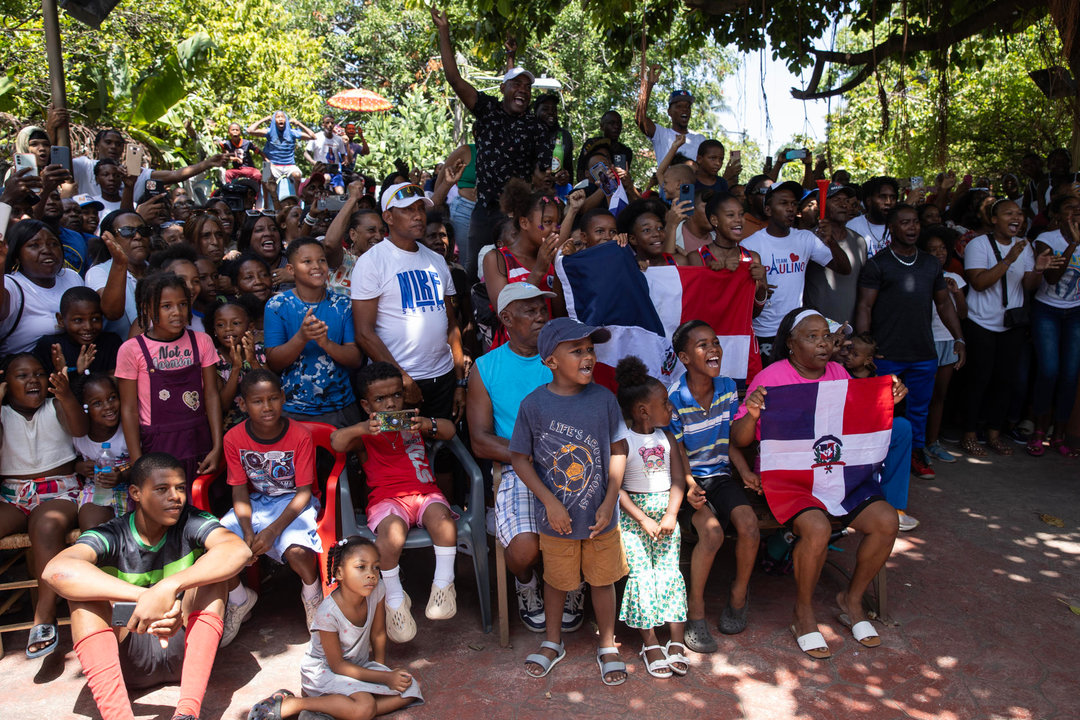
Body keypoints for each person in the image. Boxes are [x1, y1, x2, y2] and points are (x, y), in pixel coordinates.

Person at [730, 309, 906, 658]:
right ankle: (803, 612)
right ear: (791, 345)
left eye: (826, 335)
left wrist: (889, 397)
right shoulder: (772, 377)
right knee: (817, 528)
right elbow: (739, 439)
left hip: (838, 475)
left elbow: (858, 418)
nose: (823, 342)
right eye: (812, 337)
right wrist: (751, 413)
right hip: (791, 480)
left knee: (887, 521)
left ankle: (851, 600)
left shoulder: (839, 372)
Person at [42, 452, 251, 720]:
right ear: (136, 493)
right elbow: (56, 571)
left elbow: (238, 551)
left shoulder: (192, 521)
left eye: (180, 488)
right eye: (162, 489)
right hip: (128, 652)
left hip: (184, 647)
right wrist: (147, 597)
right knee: (83, 601)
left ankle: (187, 712)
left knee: (214, 579)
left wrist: (169, 587)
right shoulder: (112, 533)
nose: (175, 497)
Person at [509, 317, 630, 685]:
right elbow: (519, 458)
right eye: (576, 350)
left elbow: (619, 450)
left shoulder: (604, 399)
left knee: (603, 580)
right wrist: (549, 501)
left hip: (600, 517)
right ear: (551, 361)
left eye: (590, 349)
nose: (588, 357)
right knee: (557, 581)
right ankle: (552, 641)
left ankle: (607, 645)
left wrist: (610, 501)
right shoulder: (534, 405)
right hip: (558, 518)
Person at [468, 283, 587, 633]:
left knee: (585, 531)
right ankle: (526, 584)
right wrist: (530, 455)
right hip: (517, 469)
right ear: (506, 318)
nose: (540, 317)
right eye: (530, 311)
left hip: (571, 465)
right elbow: (480, 441)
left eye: (542, 310)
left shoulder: (566, 358)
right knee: (523, 550)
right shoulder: (486, 367)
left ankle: (572, 582)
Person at [330, 362, 461, 643]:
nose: (390, 404)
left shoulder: (415, 421)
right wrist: (362, 428)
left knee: (444, 521)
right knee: (391, 536)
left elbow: (450, 431)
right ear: (366, 405)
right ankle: (394, 599)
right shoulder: (366, 432)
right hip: (387, 500)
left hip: (425, 494)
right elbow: (336, 442)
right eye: (380, 399)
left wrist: (429, 424)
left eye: (396, 396)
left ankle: (443, 585)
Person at [432, 7, 554, 281]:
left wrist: (545, 179)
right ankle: (478, 322)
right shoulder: (487, 110)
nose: (523, 89)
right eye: (517, 85)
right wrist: (443, 31)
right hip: (484, 211)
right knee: (476, 272)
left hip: (515, 215)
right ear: (503, 90)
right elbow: (454, 78)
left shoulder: (536, 127)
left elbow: (541, 172)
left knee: (513, 273)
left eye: (528, 87)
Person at [247, 536, 422, 720]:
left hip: (358, 666)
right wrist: (384, 679)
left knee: (410, 688)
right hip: (324, 671)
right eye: (361, 567)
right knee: (365, 706)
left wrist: (382, 672)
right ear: (339, 573)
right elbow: (337, 665)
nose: (371, 574)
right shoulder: (328, 612)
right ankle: (295, 704)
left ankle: (331, 708)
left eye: (375, 567)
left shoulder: (377, 590)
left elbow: (378, 634)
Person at [665, 320, 758, 652]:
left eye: (716, 342)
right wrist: (689, 483)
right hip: (688, 479)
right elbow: (676, 449)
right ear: (685, 357)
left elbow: (729, 438)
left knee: (749, 525)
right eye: (702, 344)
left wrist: (744, 469)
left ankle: (738, 594)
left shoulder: (728, 388)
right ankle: (696, 610)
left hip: (719, 475)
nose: (713, 348)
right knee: (713, 533)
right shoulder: (674, 397)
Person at [855, 204, 967, 481]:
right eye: (904, 223)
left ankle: (917, 454)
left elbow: (943, 303)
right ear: (892, 228)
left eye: (915, 222)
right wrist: (865, 348)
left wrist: (959, 337)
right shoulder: (878, 264)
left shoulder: (930, 263)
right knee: (879, 409)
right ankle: (874, 461)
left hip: (922, 352)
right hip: (886, 353)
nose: (912, 227)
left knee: (919, 408)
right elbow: (865, 307)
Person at [218, 371, 322, 646]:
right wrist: (246, 530)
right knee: (216, 546)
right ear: (243, 404)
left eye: (273, 398)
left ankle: (313, 596)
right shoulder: (234, 438)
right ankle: (240, 599)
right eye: (257, 401)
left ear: (283, 398)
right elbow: (239, 489)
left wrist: (273, 531)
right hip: (257, 503)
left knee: (297, 551)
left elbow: (303, 492)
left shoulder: (299, 435)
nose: (267, 407)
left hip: (295, 504)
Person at [351, 182, 466, 420]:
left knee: (443, 447)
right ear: (388, 217)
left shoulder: (436, 260)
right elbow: (364, 333)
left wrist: (459, 382)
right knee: (403, 452)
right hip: (396, 386)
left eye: (420, 209)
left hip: (443, 377)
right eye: (407, 210)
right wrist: (402, 378)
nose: (417, 216)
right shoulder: (371, 262)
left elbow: (451, 324)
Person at [0, 354, 88, 658]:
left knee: (46, 525)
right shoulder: (3, 413)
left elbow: (79, 429)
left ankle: (44, 616)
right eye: (21, 376)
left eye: (38, 373)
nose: (32, 380)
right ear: (6, 383)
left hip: (58, 490)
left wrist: (64, 394)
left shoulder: (55, 406)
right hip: (12, 494)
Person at [960, 199, 1060, 456]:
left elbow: (1028, 286)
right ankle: (969, 434)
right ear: (994, 219)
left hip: (1011, 324)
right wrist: (1008, 260)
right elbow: (979, 283)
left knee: (1006, 381)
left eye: (1019, 213)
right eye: (1009, 213)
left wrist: (1037, 270)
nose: (1016, 217)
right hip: (980, 322)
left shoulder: (1023, 246)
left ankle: (994, 433)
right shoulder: (978, 244)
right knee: (978, 380)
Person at [613, 355, 689, 680]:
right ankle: (650, 642)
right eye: (665, 403)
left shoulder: (667, 438)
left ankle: (677, 640)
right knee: (642, 576)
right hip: (634, 521)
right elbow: (616, 489)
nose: (670, 409)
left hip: (667, 519)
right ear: (644, 410)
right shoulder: (623, 442)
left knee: (669, 573)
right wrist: (642, 519)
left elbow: (678, 480)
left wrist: (672, 513)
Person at [116, 273, 223, 482]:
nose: (177, 312)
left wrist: (217, 446)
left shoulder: (202, 341)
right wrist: (138, 461)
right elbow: (129, 409)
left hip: (199, 440)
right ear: (147, 309)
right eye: (166, 306)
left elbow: (211, 395)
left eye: (183, 304)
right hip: (157, 444)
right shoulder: (131, 350)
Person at [741, 181, 851, 359]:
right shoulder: (750, 244)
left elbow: (844, 268)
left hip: (797, 328)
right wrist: (759, 290)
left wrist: (830, 240)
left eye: (793, 204)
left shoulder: (805, 238)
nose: (791, 208)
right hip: (764, 331)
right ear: (768, 210)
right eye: (783, 203)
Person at [264, 238, 362, 426]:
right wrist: (301, 338)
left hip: (341, 407)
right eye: (307, 261)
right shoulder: (277, 305)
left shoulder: (343, 304)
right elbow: (274, 362)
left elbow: (355, 358)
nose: (317, 266)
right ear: (291, 270)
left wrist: (326, 343)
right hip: (294, 409)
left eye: (322, 260)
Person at [1029, 194, 1080, 456]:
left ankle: (1059, 435)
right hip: (1047, 310)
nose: (1075, 213)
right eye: (1070, 209)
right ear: (1057, 214)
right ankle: (1039, 430)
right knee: (1049, 370)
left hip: (1076, 313)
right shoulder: (1046, 240)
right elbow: (1050, 277)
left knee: (1070, 375)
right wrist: (1072, 244)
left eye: (1079, 209)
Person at [483, 179, 563, 329]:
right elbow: (505, 312)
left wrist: (558, 268)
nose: (555, 229)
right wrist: (538, 270)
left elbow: (559, 314)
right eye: (547, 222)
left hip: (548, 346)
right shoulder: (496, 259)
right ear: (524, 223)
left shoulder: (551, 258)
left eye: (557, 223)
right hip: (515, 349)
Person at [0, 219, 87, 356]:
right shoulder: (10, 284)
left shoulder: (71, 277)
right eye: (34, 245)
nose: (47, 250)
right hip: (26, 373)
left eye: (53, 244)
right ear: (17, 256)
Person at [919, 225, 968, 464]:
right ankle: (917, 447)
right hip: (923, 342)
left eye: (943, 249)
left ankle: (933, 442)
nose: (939, 253)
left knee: (939, 395)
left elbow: (963, 314)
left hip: (947, 341)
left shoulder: (955, 277)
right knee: (919, 396)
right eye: (932, 249)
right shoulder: (919, 276)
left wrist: (956, 293)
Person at [72, 373, 131, 530]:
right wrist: (79, 467)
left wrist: (122, 473)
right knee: (94, 530)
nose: (108, 406)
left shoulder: (128, 429)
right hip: (95, 491)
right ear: (84, 408)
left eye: (112, 398)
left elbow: (142, 460)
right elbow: (72, 461)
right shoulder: (79, 436)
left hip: (130, 488)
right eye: (97, 403)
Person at [804, 184, 866, 325]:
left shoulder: (858, 241)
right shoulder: (808, 239)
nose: (844, 205)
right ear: (821, 206)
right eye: (836, 200)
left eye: (846, 200)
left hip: (849, 327)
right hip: (818, 329)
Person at [87, 210, 152, 339]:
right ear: (109, 238)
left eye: (143, 230)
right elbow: (112, 312)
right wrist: (120, 263)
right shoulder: (98, 272)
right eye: (127, 231)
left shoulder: (158, 270)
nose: (138, 236)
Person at [34, 286, 122, 376]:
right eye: (78, 320)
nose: (88, 327)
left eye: (95, 319)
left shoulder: (110, 343)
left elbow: (114, 383)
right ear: (60, 320)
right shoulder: (51, 347)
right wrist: (66, 373)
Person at [635, 64, 706, 162]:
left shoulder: (700, 139)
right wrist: (650, 84)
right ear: (669, 112)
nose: (684, 109)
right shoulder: (661, 134)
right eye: (679, 106)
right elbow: (640, 119)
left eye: (687, 106)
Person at [247, 111, 317, 192]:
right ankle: (266, 203)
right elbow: (249, 130)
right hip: (271, 164)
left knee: (298, 175)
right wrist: (265, 119)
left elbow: (313, 136)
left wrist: (299, 123)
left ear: (286, 120)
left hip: (289, 164)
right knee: (265, 176)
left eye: (282, 117)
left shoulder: (292, 133)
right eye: (277, 117)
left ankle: (297, 198)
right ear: (274, 120)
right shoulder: (269, 131)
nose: (280, 119)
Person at [847, 177, 899, 257]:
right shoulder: (852, 226)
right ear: (868, 201)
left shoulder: (900, 226)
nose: (888, 202)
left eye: (893, 197)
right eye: (882, 197)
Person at [577, 110, 633, 182]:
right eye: (611, 123)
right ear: (602, 126)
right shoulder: (592, 144)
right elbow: (580, 172)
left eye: (619, 123)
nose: (616, 126)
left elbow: (625, 177)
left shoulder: (626, 151)